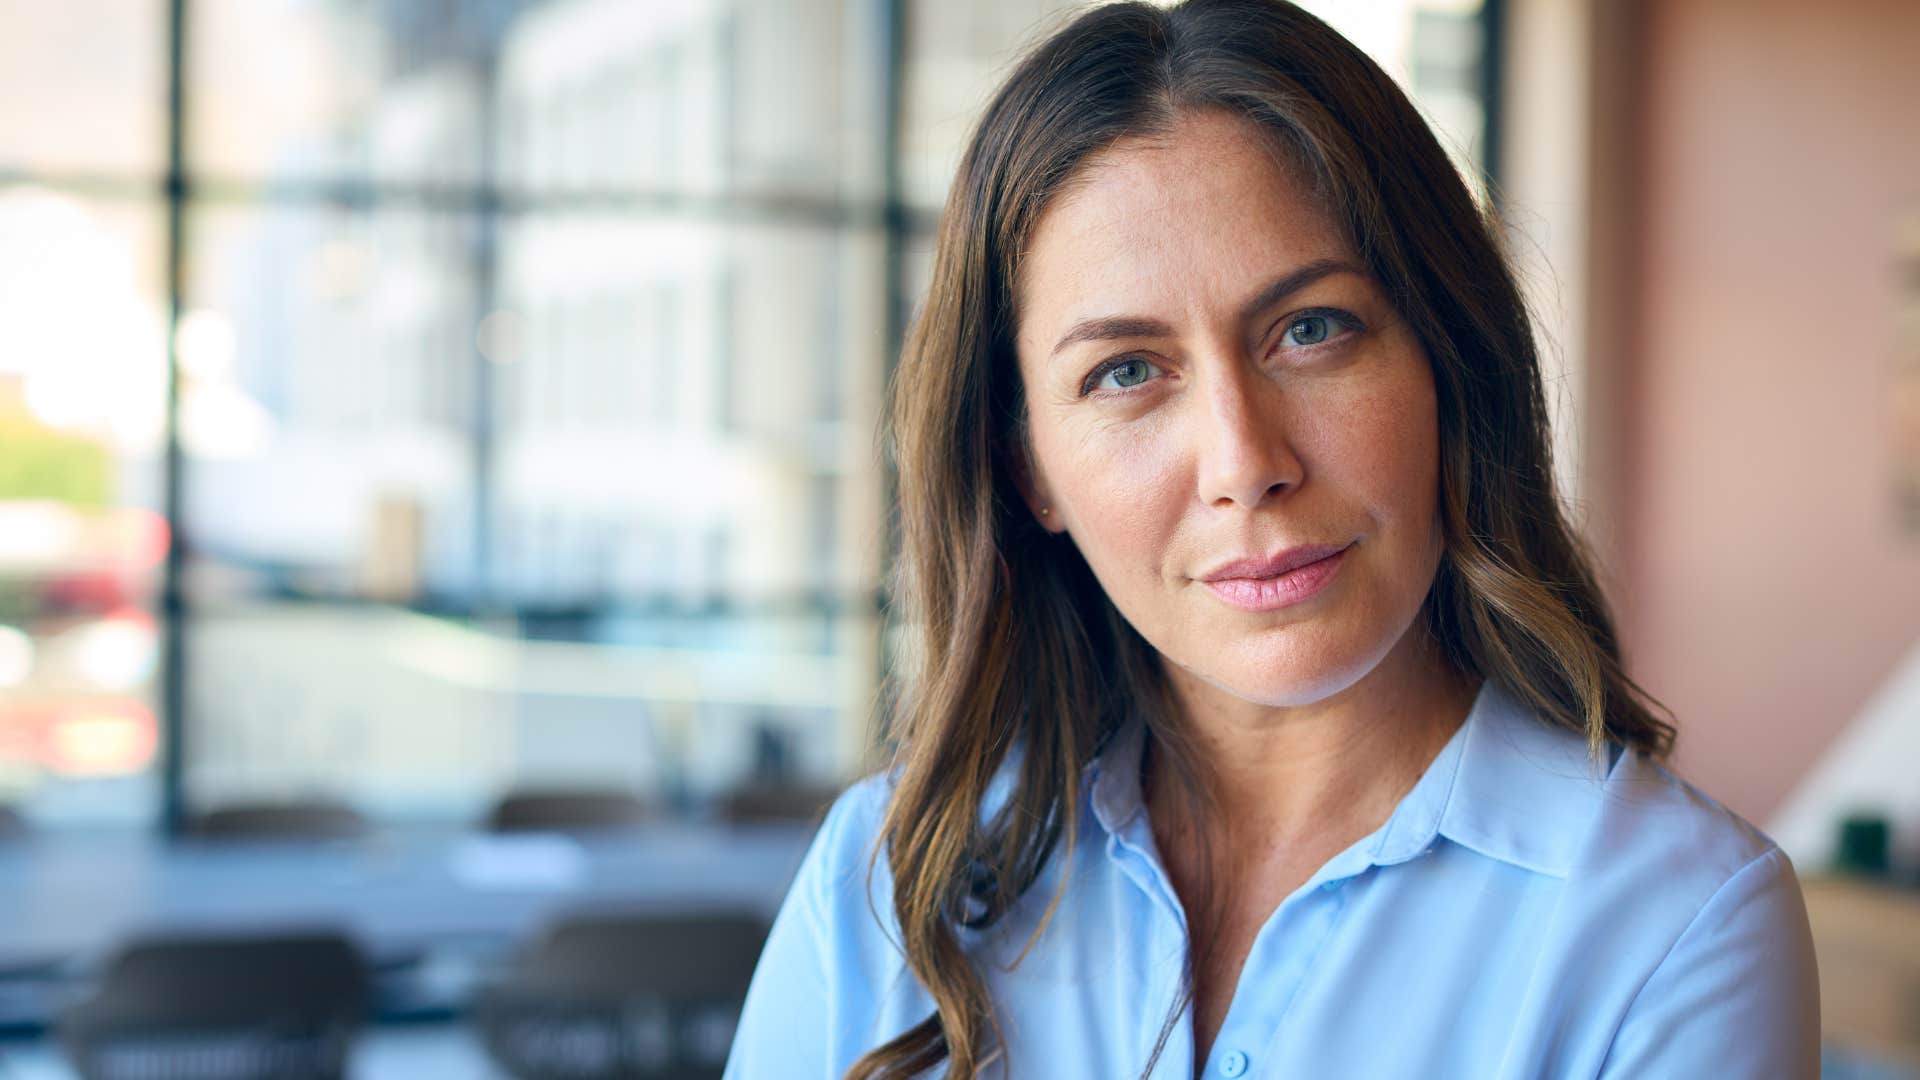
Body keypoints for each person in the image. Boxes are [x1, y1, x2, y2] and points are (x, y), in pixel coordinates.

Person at [725, 0, 1821, 1076]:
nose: (1246, 461)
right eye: (1126, 373)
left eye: (1311, 330)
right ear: (1027, 469)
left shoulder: (1678, 925)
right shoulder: (880, 888)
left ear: (1451, 363)